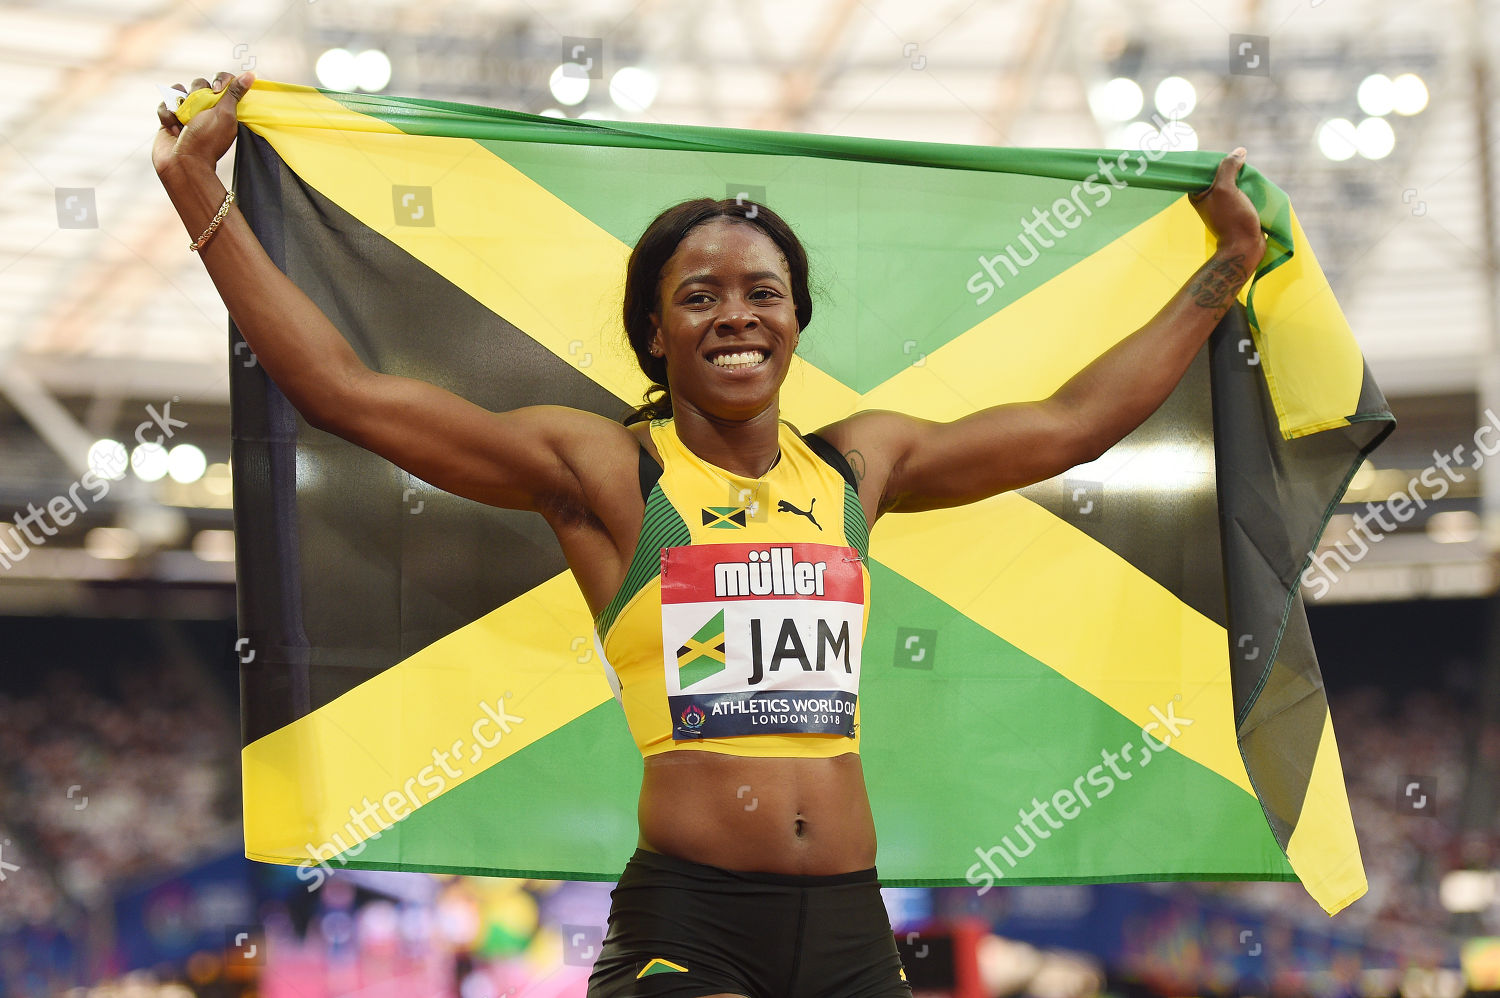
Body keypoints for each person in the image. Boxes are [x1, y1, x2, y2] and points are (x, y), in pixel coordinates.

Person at [155, 70, 1267, 998]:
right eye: (699, 295)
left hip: (849, 925)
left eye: (762, 290)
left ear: (795, 321)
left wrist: (1222, 273)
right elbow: (346, 392)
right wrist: (202, 198)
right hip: (694, 920)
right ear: (655, 331)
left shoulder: (858, 466)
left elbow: (1074, 425)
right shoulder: (606, 471)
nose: (735, 311)